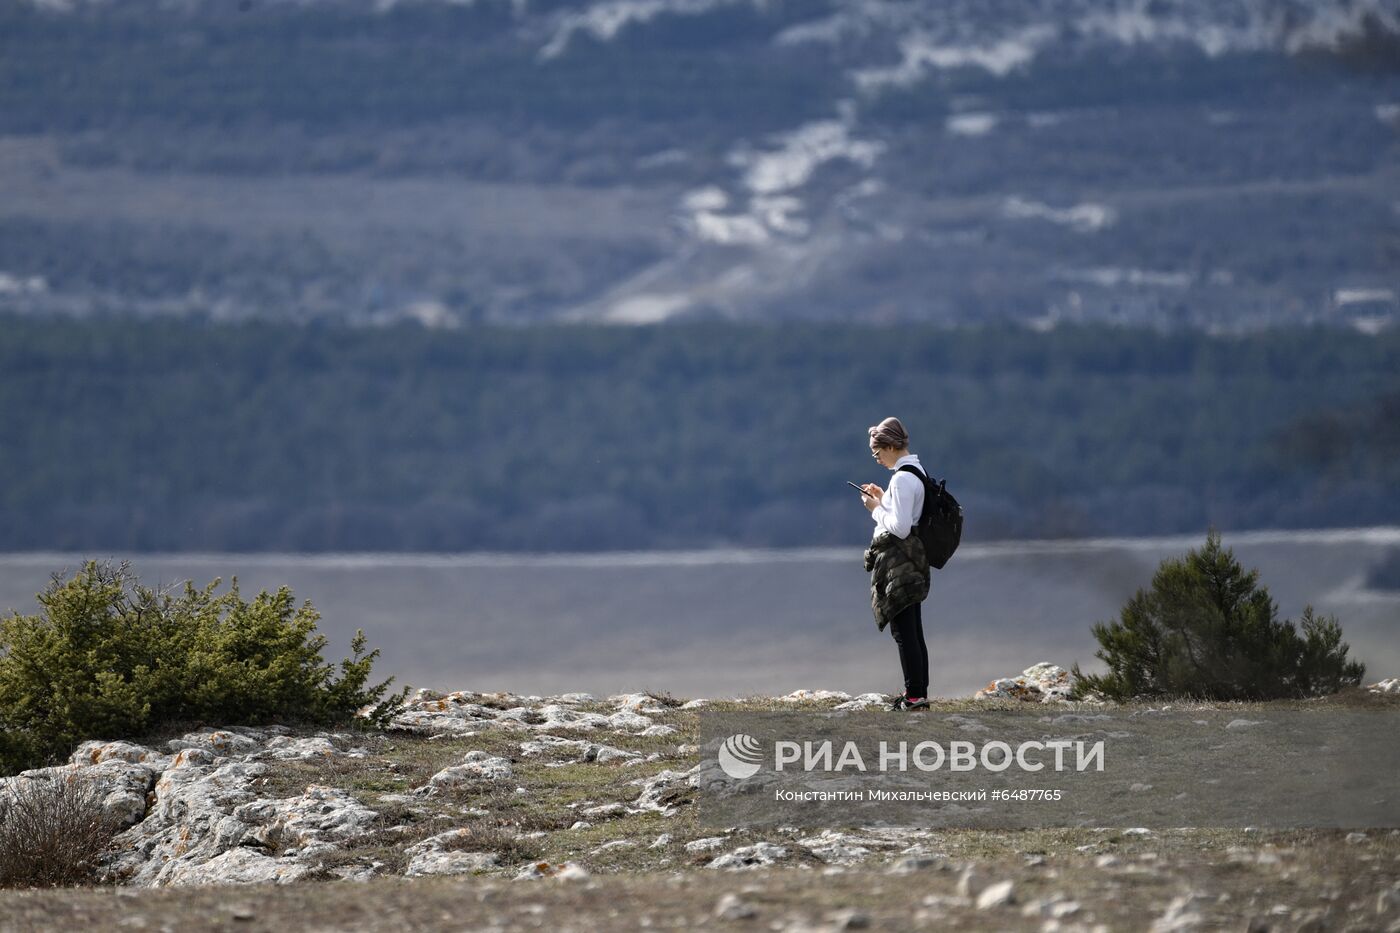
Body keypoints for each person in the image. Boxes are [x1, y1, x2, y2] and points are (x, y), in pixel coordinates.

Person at [859, 416, 931, 711]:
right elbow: (908, 514)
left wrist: (875, 509)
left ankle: (914, 697)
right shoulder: (916, 471)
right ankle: (918, 693)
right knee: (913, 629)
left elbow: (900, 527)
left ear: (889, 446)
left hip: (899, 562)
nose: (876, 460)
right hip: (914, 559)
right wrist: (884, 497)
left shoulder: (902, 478)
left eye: (877, 454)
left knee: (903, 632)